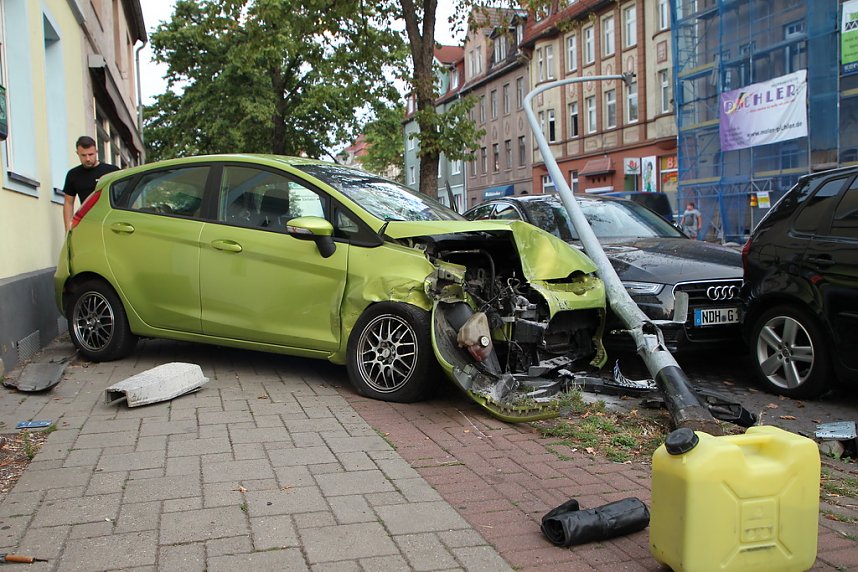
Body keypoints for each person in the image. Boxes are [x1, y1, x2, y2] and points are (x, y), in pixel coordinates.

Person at [62, 136, 120, 232]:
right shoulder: (73, 174)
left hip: (111, 222)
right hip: (87, 223)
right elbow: (68, 202)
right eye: (83, 155)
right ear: (77, 153)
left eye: (91, 154)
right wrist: (68, 229)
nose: (88, 159)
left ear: (96, 152)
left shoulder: (112, 171)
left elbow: (126, 196)